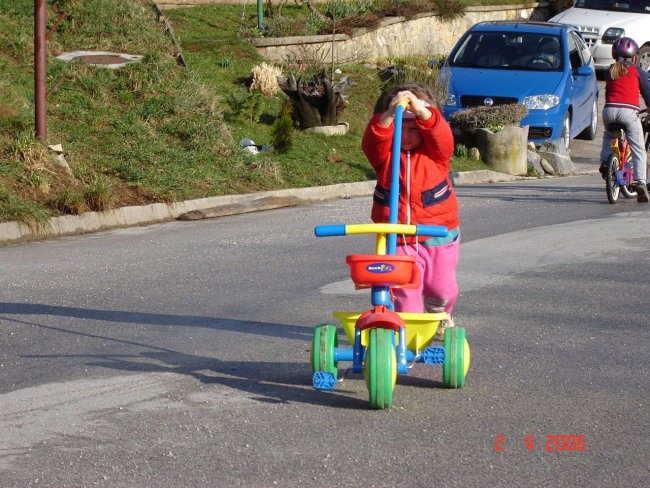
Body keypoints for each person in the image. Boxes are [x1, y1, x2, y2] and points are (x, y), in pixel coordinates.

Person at [361, 83, 460, 338]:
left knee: (441, 289)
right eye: (400, 128)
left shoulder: (436, 153)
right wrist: (390, 113)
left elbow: (442, 135)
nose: (405, 135)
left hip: (438, 233)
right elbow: (373, 141)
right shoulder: (385, 155)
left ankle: (439, 315)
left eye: (413, 128)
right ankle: (411, 336)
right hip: (399, 235)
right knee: (404, 291)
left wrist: (420, 109)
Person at [598, 37, 650, 203]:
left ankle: (606, 162)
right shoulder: (637, 71)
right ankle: (640, 182)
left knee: (609, 135)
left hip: (609, 111)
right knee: (638, 149)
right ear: (634, 57)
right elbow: (647, 93)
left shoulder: (609, 70)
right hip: (628, 113)